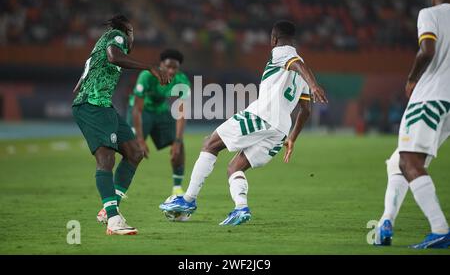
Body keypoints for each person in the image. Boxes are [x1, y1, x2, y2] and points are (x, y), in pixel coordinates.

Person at [160, 20, 327, 225]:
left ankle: (188, 200)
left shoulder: (282, 53)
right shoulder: (301, 68)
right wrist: (292, 137)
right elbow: (306, 110)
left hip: (262, 115)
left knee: (210, 144)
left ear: (273, 39)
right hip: (281, 130)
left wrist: (315, 85)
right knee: (234, 167)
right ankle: (241, 209)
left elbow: (296, 64)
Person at [72, 14, 169, 235]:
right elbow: (113, 57)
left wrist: (83, 84)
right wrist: (149, 67)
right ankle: (114, 221)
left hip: (103, 106)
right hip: (93, 106)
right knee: (106, 158)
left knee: (135, 152)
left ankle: (109, 209)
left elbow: (84, 77)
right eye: (133, 33)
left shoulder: (101, 43)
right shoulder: (117, 36)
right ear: (128, 32)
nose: (133, 38)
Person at [374, 0, 450, 248]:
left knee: (409, 161)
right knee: (399, 161)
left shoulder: (429, 14)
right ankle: (386, 222)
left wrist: (412, 78)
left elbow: (427, 50)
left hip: (431, 97)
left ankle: (440, 229)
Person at [128, 49, 191, 196]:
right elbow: (137, 109)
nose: (171, 70)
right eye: (168, 66)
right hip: (142, 111)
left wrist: (177, 140)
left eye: (174, 67)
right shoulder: (146, 76)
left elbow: (182, 112)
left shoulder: (182, 81)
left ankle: (177, 189)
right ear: (161, 65)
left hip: (160, 111)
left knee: (179, 146)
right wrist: (140, 139)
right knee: (133, 150)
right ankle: (119, 190)